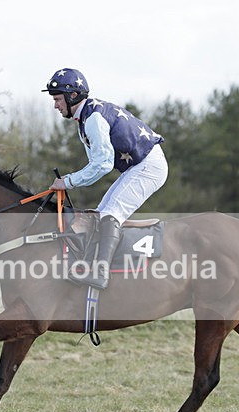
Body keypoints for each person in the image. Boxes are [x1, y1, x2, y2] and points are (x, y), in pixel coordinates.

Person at [44, 68, 168, 290]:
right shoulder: (84, 118)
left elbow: (102, 164)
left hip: (149, 166)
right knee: (102, 214)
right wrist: (69, 181)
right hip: (139, 165)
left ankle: (101, 274)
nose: (55, 105)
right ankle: (91, 266)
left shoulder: (93, 119)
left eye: (58, 99)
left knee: (111, 214)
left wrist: (68, 181)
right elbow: (98, 164)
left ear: (73, 96)